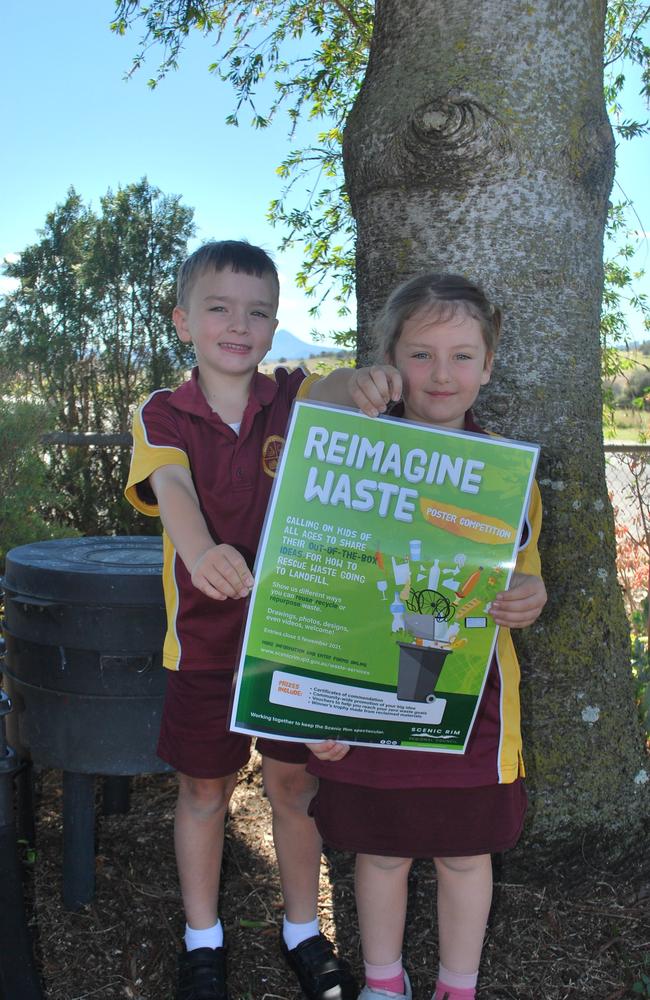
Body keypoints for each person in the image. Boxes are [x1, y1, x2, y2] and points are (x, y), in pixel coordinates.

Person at [304, 272, 547, 1000]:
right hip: (368, 687)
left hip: (471, 703)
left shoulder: (510, 475)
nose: (443, 374)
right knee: (379, 852)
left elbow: (524, 576)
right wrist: (352, 383)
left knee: (467, 854)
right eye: (420, 355)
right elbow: (303, 403)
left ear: (489, 365)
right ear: (390, 361)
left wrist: (532, 596)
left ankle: (456, 986)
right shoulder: (351, 445)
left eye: (463, 356)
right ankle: (383, 982)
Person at [124, 240, 356, 1000]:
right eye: (218, 307)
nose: (238, 323)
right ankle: (202, 940)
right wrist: (201, 552)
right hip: (203, 646)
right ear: (183, 321)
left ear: (275, 324)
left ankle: (301, 931)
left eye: (258, 311)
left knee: (293, 787)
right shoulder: (163, 412)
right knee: (203, 792)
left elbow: (340, 389)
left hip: (295, 637)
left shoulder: (291, 396)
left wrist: (370, 377)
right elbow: (174, 492)